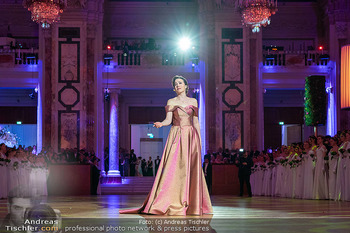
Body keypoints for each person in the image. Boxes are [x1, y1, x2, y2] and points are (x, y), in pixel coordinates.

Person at [119, 75, 212, 215]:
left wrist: (199, 141)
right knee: (173, 168)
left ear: (186, 86)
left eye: (180, 83)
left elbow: (196, 122)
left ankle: (191, 203)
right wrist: (161, 124)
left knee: (190, 168)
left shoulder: (193, 101)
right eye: (175, 84)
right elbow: (168, 120)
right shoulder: (171, 101)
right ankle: (171, 200)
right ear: (174, 88)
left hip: (190, 136)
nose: (178, 85)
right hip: (176, 135)